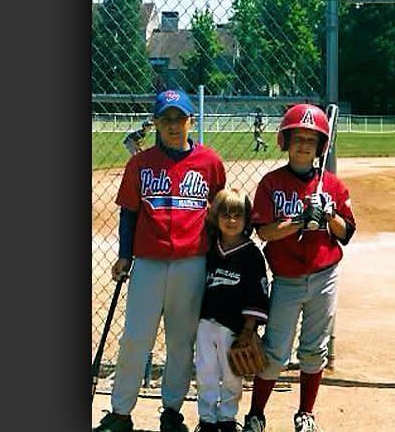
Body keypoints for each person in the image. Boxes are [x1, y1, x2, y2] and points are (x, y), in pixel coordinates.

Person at [95, 89, 227, 432]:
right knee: (135, 338)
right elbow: (129, 214)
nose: (173, 125)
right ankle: (121, 412)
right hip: (149, 262)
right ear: (154, 122)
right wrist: (125, 255)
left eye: (179, 118)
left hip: (192, 262)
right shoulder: (140, 163)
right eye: (165, 118)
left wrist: (217, 260)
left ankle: (172, 412)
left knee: (181, 342)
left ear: (191, 121)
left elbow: (219, 216)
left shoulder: (210, 162)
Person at [242, 104, 357, 432]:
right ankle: (256, 415)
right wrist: (300, 221)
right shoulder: (271, 183)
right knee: (275, 351)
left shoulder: (331, 185)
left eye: (311, 139)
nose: (304, 145)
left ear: (321, 146)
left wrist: (329, 215)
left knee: (314, 348)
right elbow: (263, 232)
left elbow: (346, 233)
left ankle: (305, 414)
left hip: (324, 276)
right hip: (287, 279)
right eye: (298, 138)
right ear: (285, 141)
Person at [193, 189, 270, 432]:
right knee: (205, 373)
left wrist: (249, 328)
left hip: (234, 327)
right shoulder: (208, 248)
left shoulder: (251, 255)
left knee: (232, 375)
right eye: (226, 215)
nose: (232, 220)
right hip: (205, 322)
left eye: (238, 215)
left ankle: (227, 418)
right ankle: (206, 419)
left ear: (247, 220)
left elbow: (257, 293)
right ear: (216, 217)